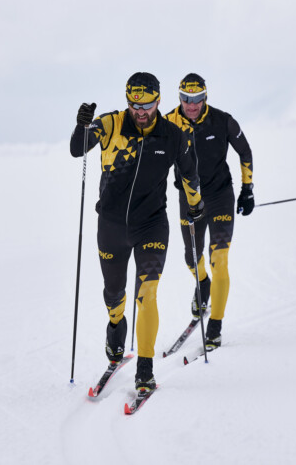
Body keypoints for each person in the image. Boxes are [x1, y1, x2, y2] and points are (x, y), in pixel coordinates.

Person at [70, 72, 203, 394]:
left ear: (158, 101)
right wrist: (81, 126)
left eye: (147, 105)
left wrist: (195, 204)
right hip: (111, 226)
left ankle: (145, 369)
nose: (140, 111)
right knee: (113, 295)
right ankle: (116, 328)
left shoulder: (172, 135)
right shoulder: (110, 124)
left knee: (147, 295)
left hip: (151, 225)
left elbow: (189, 173)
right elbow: (77, 149)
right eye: (134, 104)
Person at [164, 73, 254, 351]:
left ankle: (215, 325)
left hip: (220, 196)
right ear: (179, 98)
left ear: (205, 97)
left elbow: (245, 151)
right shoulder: (167, 124)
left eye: (197, 99)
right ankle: (202, 283)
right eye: (186, 99)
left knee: (220, 259)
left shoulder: (222, 120)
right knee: (192, 258)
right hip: (189, 199)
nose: (192, 105)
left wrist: (247, 189)